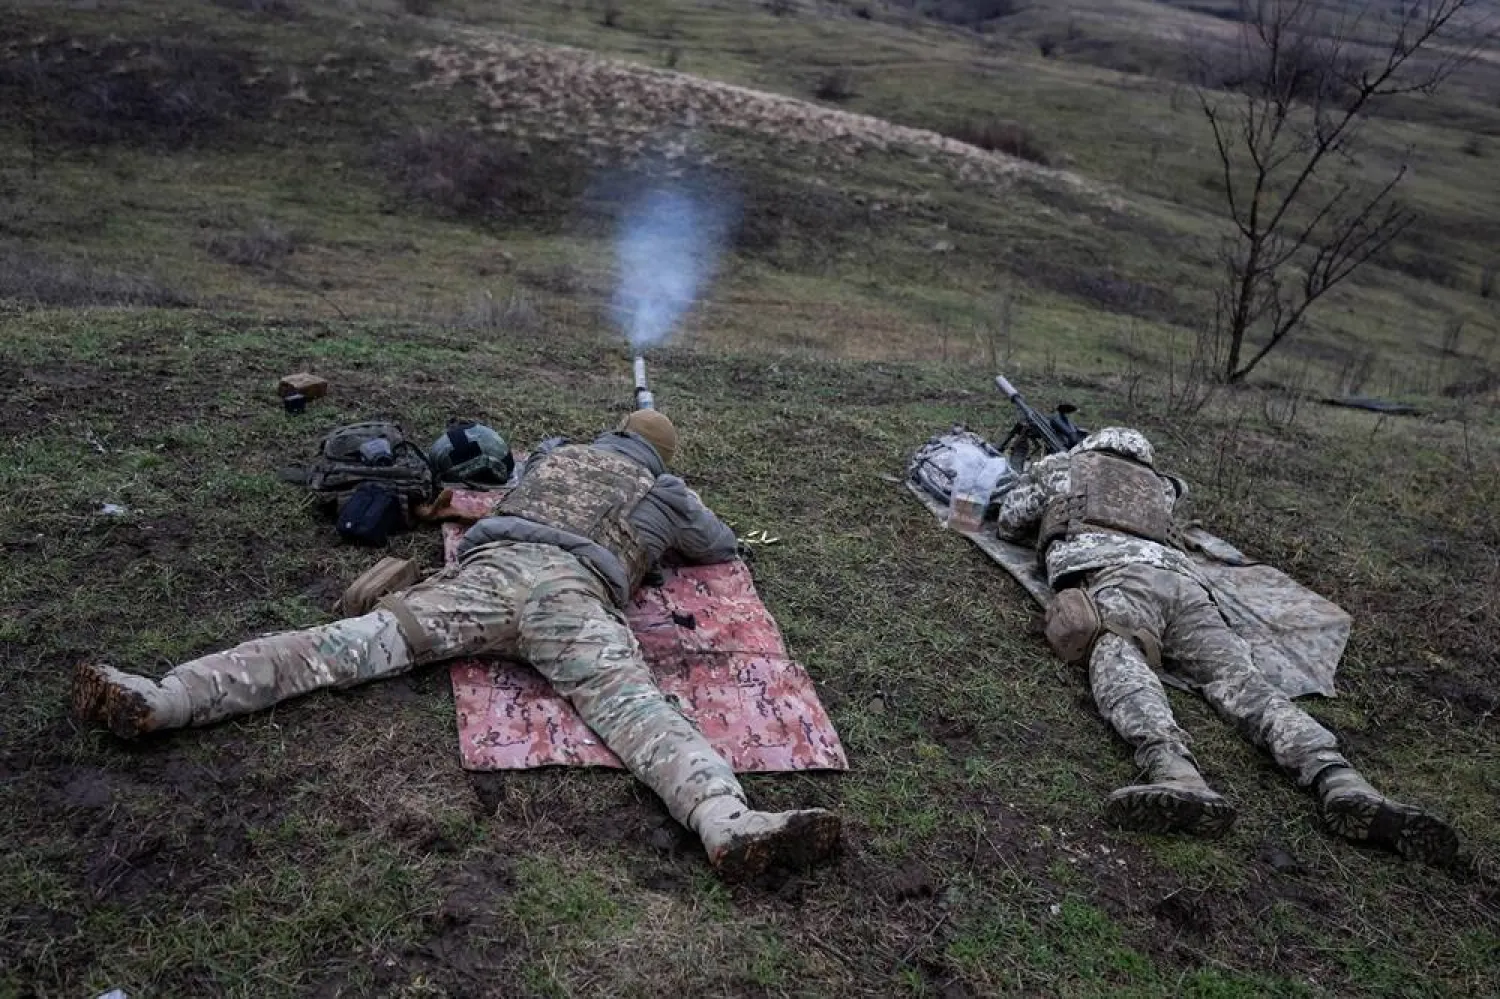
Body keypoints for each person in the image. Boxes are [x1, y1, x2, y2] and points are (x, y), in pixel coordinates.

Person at [73, 410, 841, 881]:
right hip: (566, 598)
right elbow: (718, 547)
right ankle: (724, 820)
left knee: (342, 644)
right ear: (660, 457)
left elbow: (514, 481)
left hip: (482, 575)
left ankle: (167, 695)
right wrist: (678, 502)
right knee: (637, 712)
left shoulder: (556, 455)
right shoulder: (663, 490)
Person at [995, 426, 1459, 866]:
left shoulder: (1064, 466)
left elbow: (1012, 521)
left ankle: (1174, 771)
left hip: (1117, 574)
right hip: (1189, 589)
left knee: (1116, 648)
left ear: (1093, 444)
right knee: (1242, 682)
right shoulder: (1162, 488)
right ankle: (1339, 778)